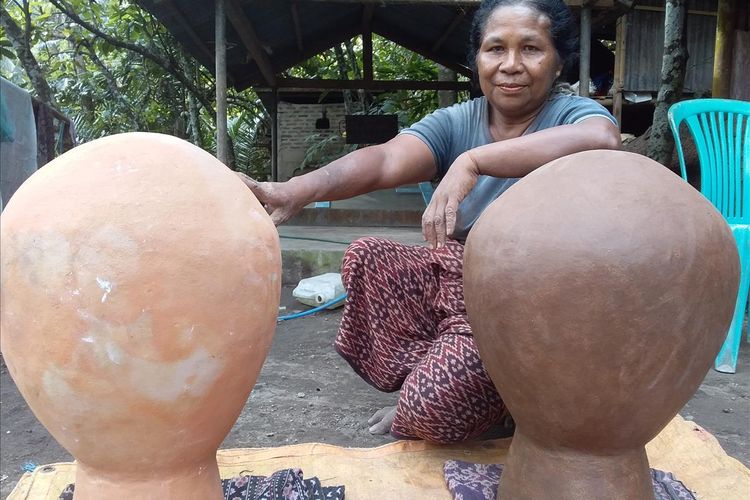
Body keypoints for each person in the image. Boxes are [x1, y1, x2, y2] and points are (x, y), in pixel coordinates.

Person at [239, 0, 621, 443]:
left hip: (530, 303)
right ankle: (447, 379)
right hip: (463, 289)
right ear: (477, 59)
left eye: (531, 49)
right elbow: (383, 160)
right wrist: (297, 189)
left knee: (429, 413)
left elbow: (602, 137)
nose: (511, 65)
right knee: (369, 257)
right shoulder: (459, 120)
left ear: (558, 64)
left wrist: (475, 161)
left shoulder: (570, 116)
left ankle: (492, 396)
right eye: (496, 49)